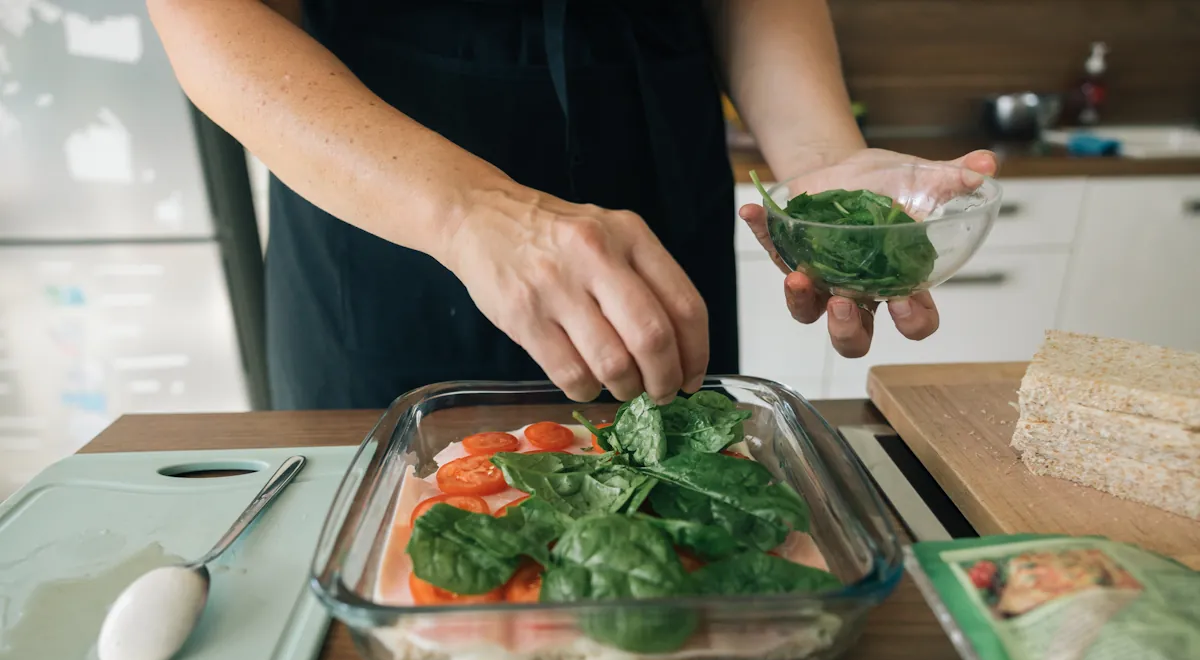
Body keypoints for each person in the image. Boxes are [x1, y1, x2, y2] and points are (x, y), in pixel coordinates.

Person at [148, 0, 996, 410]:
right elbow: (209, 19)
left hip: (655, 188)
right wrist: (472, 213)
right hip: (386, 202)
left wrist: (821, 162)